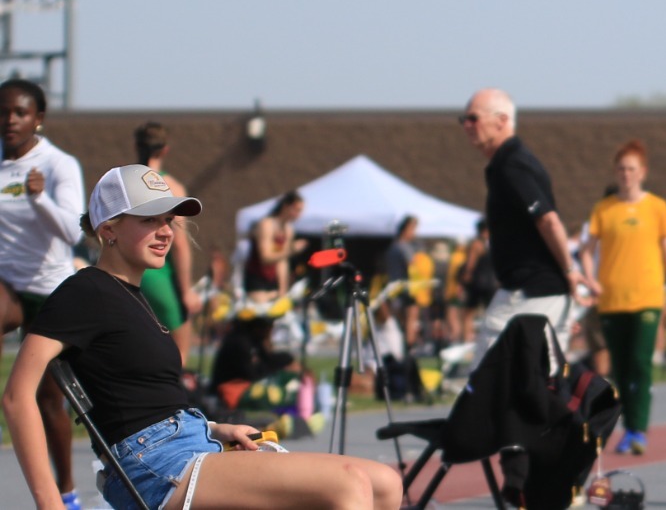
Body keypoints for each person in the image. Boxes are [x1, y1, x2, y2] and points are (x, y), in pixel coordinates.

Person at [3, 163, 401, 510]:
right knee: (348, 485)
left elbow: (146, 400)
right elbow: (17, 397)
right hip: (154, 465)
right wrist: (51, 503)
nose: (165, 232)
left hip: (190, 440)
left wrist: (215, 428)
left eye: (168, 220)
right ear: (109, 229)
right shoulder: (84, 291)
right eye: (149, 220)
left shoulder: (133, 296)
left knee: (385, 483)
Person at [0, 78, 87, 510]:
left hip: (50, 289)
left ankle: (66, 491)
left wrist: (40, 200)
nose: (10, 120)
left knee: (51, 399)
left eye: (20, 112)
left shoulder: (57, 165)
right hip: (8, 285)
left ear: (38, 118)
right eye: (3, 112)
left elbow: (74, 231)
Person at [580, 141, 666, 457]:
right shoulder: (604, 209)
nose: (626, 174)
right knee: (620, 368)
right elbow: (586, 251)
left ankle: (638, 429)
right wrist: (590, 280)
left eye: (631, 169)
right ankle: (628, 428)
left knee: (640, 363)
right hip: (612, 299)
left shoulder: (657, 207)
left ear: (642, 173)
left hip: (647, 298)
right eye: (621, 169)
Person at [460, 88, 588, 365]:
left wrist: (570, 270)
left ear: (502, 120)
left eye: (473, 118)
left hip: (532, 293)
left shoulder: (512, 164)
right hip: (529, 292)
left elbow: (548, 220)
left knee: (488, 377)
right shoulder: (506, 163)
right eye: (464, 119)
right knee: (534, 381)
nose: (466, 125)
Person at [133, 121, 204, 365]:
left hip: (127, 273)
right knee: (178, 352)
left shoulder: (126, 183)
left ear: (137, 146)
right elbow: (180, 244)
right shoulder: (171, 186)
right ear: (165, 150)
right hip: (159, 276)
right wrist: (186, 291)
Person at [245, 190, 307, 301]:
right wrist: (291, 250)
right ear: (286, 207)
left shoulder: (288, 230)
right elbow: (265, 257)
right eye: (297, 210)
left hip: (272, 281)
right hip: (257, 279)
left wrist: (283, 290)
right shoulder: (267, 224)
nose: (299, 215)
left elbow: (282, 260)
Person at [382, 214, 422, 354]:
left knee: (399, 320)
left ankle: (401, 347)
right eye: (413, 229)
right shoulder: (403, 247)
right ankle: (409, 349)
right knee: (410, 318)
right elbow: (412, 266)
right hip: (406, 288)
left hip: (394, 287)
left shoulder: (393, 246)